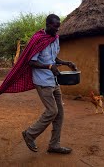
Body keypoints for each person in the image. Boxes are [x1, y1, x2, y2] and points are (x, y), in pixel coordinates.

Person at [22, 14, 77, 154]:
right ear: (48, 24)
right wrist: (48, 67)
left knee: (60, 114)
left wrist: (65, 63)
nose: (57, 30)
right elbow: (31, 62)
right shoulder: (38, 40)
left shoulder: (55, 39)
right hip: (42, 81)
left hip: (54, 80)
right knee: (52, 111)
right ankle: (30, 134)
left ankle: (54, 145)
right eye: (55, 27)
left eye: (58, 27)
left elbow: (53, 58)